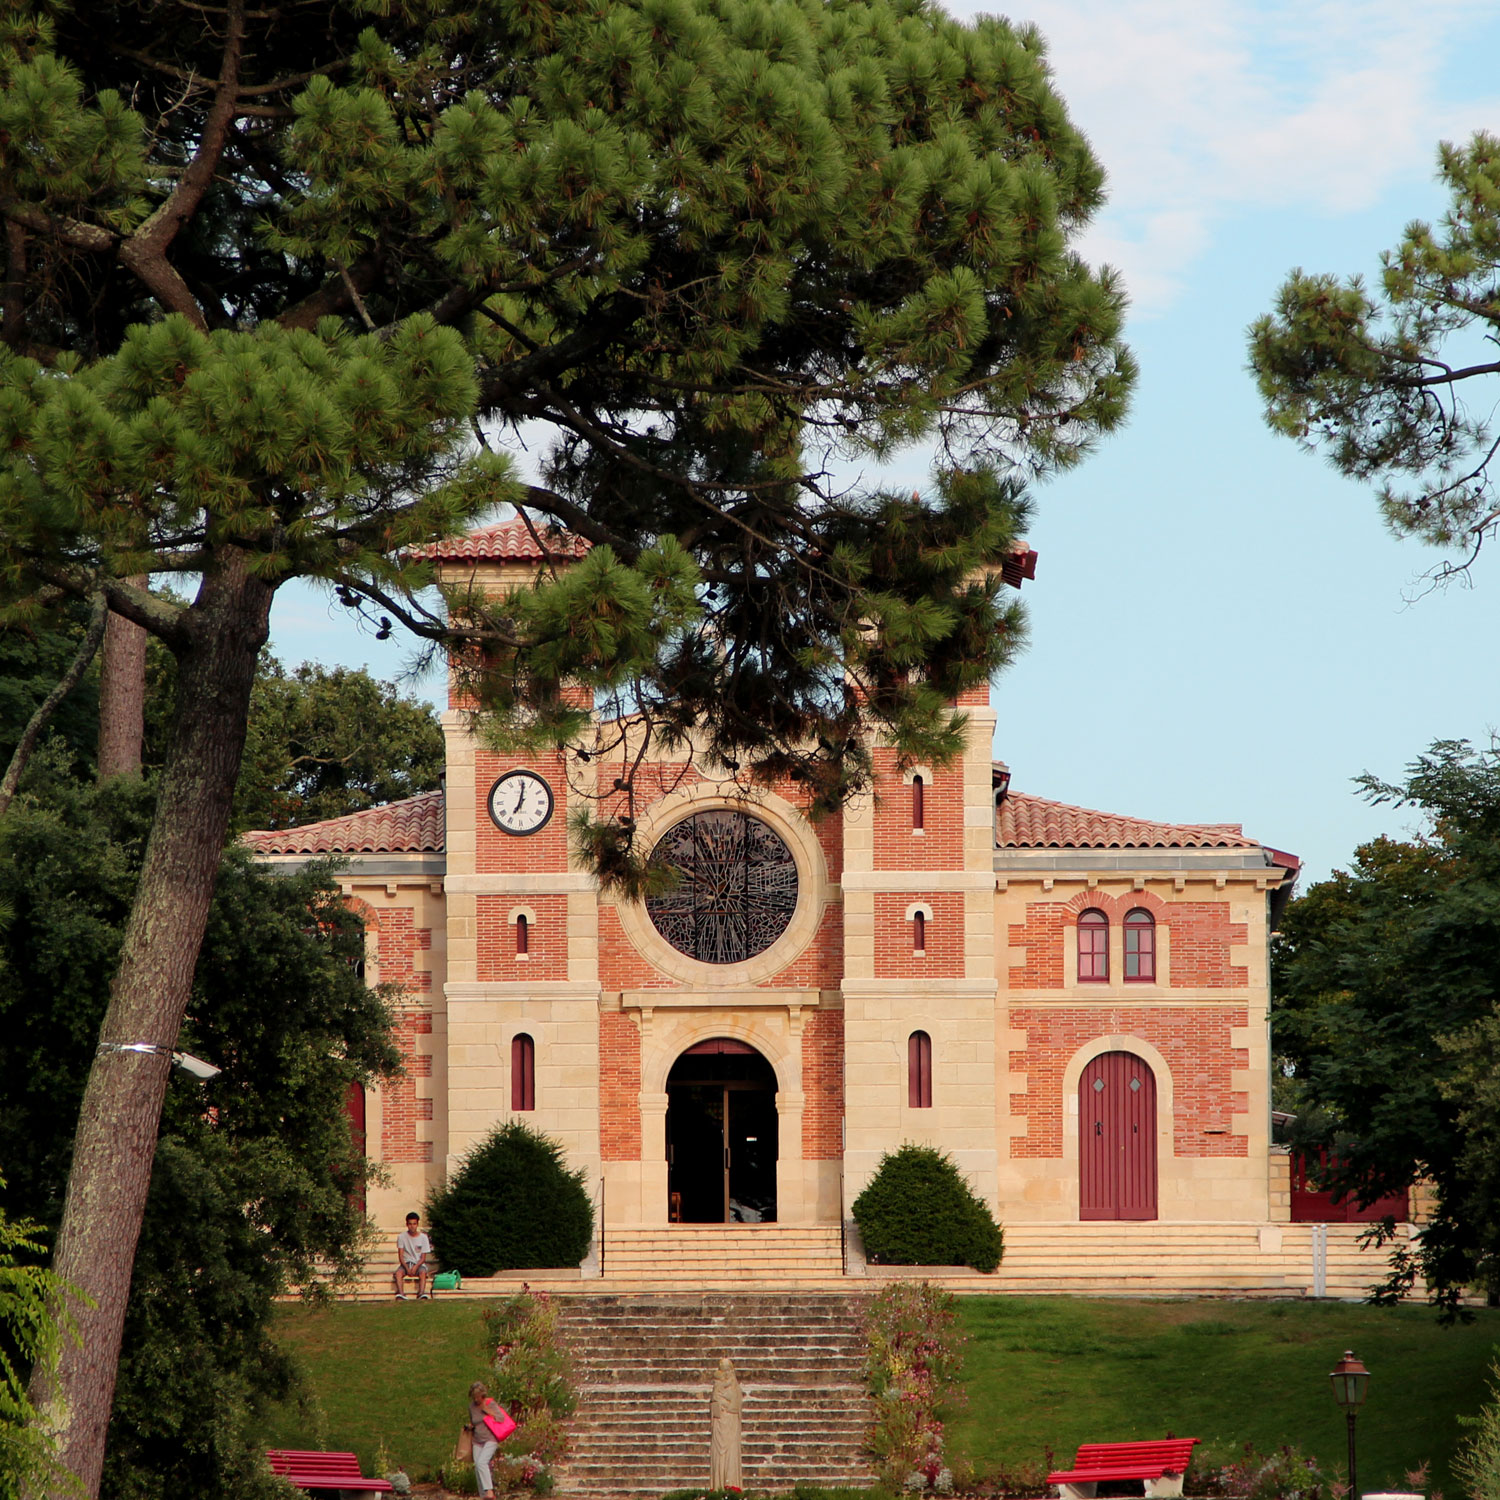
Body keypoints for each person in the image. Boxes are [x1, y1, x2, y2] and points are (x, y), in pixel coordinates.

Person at [468, 1380, 512, 1500]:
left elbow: (501, 1418)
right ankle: (484, 1496)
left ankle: (490, 1491)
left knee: (482, 1462)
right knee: (477, 1467)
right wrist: (470, 1426)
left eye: (478, 1397)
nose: (476, 1399)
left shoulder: (490, 1403)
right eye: (474, 1397)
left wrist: (488, 1412)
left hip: (490, 1438)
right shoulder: (471, 1407)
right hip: (477, 1440)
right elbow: (474, 1421)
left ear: (482, 1395)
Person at [392, 1211, 432, 1300]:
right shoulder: (402, 1237)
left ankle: (421, 1293)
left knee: (423, 1272)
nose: (412, 1226)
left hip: (418, 1263)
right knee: (398, 1273)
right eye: (410, 1224)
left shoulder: (423, 1237)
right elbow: (401, 1256)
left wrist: (415, 1267)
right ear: (407, 1224)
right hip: (406, 1263)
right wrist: (407, 1268)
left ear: (417, 1224)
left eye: (414, 1224)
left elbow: (423, 1258)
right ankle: (401, 1293)